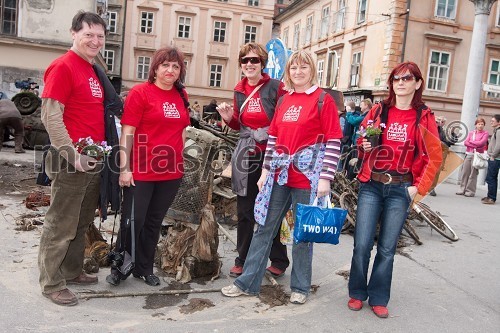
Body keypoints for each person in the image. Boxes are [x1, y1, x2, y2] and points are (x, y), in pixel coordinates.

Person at [221, 50, 343, 305]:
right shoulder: (285, 100)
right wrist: (266, 171)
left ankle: (300, 287)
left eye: (304, 67)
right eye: (294, 68)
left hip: (307, 179)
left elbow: (333, 140)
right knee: (264, 227)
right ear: (289, 71)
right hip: (279, 174)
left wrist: (325, 178)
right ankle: (247, 282)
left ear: (312, 70)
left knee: (302, 234)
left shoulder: (322, 100)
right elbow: (274, 139)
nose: (298, 72)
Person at [347, 61, 442, 318]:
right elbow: (361, 137)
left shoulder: (424, 116)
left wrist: (417, 189)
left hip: (401, 189)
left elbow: (435, 157)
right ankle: (356, 292)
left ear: (417, 83)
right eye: (396, 79)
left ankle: (378, 296)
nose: (400, 83)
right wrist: (364, 145)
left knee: (387, 248)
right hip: (372, 185)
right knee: (362, 243)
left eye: (407, 78)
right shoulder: (379, 110)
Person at [38, 11, 110, 306]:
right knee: (60, 223)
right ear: (73, 34)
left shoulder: (92, 68)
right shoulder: (64, 66)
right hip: (72, 160)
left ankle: (71, 269)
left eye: (99, 36)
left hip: (90, 158)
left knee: (80, 222)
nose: (94, 41)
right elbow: (50, 117)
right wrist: (73, 156)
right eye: (88, 35)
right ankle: (51, 281)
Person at [106, 46, 190, 286]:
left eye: (175, 66)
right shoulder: (141, 93)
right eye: (165, 65)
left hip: (171, 172)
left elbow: (182, 130)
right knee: (133, 221)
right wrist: (124, 168)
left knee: (154, 222)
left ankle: (143, 268)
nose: (170, 70)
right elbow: (128, 132)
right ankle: (120, 268)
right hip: (141, 171)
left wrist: (179, 157)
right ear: (155, 68)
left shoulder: (181, 96)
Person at [216, 43, 289, 279]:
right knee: (245, 210)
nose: (249, 64)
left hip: (271, 156)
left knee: (271, 209)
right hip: (247, 155)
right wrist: (229, 119)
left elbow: (284, 120)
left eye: (254, 60)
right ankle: (243, 258)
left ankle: (278, 259)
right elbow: (240, 124)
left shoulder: (276, 88)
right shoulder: (239, 90)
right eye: (245, 60)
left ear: (262, 63)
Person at [456, 118, 488, 197]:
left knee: (473, 174)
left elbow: (481, 143)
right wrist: (475, 144)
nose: (480, 126)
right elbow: (465, 142)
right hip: (469, 154)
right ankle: (462, 189)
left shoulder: (485, 133)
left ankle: (470, 191)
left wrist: (472, 143)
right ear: (476, 125)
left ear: (484, 125)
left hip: (477, 155)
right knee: (465, 172)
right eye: (479, 124)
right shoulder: (471, 133)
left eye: (482, 124)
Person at [344, 98, 372, 178]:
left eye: (361, 105)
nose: (360, 107)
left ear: (366, 105)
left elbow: (354, 121)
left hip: (360, 144)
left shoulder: (366, 116)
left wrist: (349, 113)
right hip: (358, 142)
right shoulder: (363, 115)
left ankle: (353, 179)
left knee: (356, 163)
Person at [428, 116, 456, 196]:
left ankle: (431, 188)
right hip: (429, 152)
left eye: (439, 122)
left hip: (439, 153)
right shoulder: (428, 129)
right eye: (436, 121)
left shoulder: (441, 131)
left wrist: (453, 134)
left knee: (437, 171)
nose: (438, 123)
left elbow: (449, 142)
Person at [482, 114, 500, 204]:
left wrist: (493, 156)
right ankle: (490, 196)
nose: (491, 122)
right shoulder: (496, 130)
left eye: (493, 121)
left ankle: (491, 198)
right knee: (491, 178)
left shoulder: (499, 131)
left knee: (491, 178)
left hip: (495, 158)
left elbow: (498, 146)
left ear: (499, 122)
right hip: (495, 158)